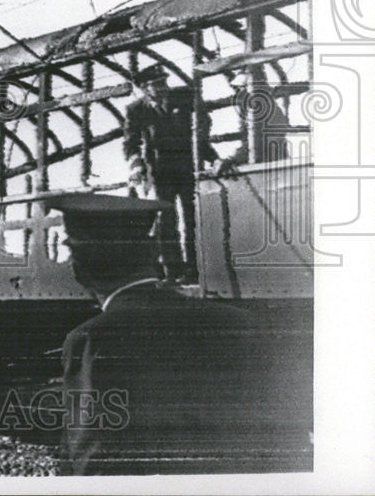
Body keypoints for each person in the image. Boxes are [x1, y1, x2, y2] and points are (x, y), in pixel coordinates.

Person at [56, 193, 268, 475]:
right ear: (154, 253)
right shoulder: (241, 323)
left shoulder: (90, 341)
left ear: (78, 269)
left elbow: (94, 463)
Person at [122, 64, 220, 282]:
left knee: (193, 218)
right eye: (157, 85)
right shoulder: (136, 109)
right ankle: (172, 271)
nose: (164, 88)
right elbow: (131, 143)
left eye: (164, 82)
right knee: (166, 222)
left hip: (188, 168)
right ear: (145, 89)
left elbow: (201, 129)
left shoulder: (184, 97)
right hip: (160, 172)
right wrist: (137, 165)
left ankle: (195, 269)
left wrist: (213, 157)